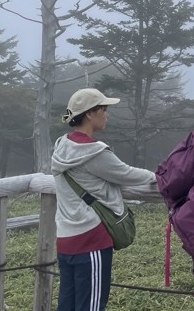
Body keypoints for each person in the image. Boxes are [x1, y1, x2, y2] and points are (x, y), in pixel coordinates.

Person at [51, 88, 156, 311]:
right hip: (91, 242)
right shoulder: (93, 152)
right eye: (104, 109)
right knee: (92, 306)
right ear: (90, 113)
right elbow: (127, 174)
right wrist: (160, 176)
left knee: (67, 305)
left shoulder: (61, 146)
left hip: (65, 239)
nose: (107, 115)